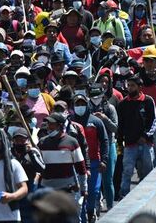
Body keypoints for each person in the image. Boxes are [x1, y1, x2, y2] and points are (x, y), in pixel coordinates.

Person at [117, 74, 156, 198]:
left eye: (132, 86)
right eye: (128, 86)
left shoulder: (148, 101)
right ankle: (124, 195)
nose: (130, 88)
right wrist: (120, 142)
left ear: (140, 87)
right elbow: (120, 125)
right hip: (130, 144)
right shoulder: (123, 104)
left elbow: (153, 121)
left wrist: (145, 136)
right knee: (127, 171)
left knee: (147, 170)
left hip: (146, 142)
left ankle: (149, 194)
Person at [70, 94, 108, 222]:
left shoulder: (96, 121)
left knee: (94, 191)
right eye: (77, 104)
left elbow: (104, 141)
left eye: (82, 104)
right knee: (80, 193)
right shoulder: (70, 122)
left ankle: (91, 211)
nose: (80, 107)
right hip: (76, 163)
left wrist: (104, 160)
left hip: (94, 161)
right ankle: (83, 217)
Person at [88, 86, 118, 212]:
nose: (96, 100)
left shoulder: (109, 108)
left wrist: (104, 119)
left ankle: (110, 206)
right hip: (92, 146)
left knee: (107, 179)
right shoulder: (86, 108)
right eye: (93, 97)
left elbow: (116, 128)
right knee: (92, 180)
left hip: (108, 144)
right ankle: (94, 206)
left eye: (98, 97)